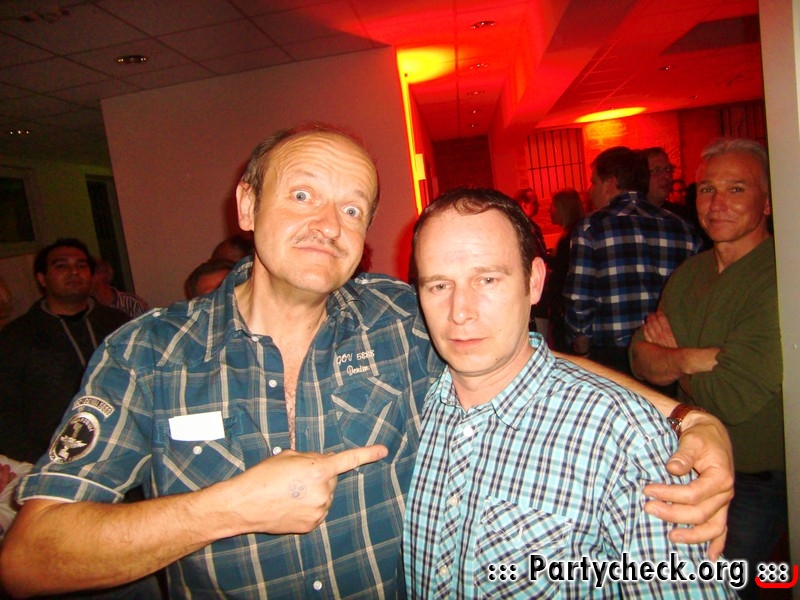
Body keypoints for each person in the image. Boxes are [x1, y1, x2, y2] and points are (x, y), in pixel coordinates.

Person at [0, 124, 733, 598]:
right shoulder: (147, 352)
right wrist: (224, 509)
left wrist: (683, 416)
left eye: (353, 208)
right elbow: (29, 558)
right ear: (247, 206)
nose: (328, 223)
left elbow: (515, 356)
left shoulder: (400, 315)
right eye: (303, 195)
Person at [404, 187, 737, 598]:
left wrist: (691, 416)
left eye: (487, 279)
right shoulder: (410, 405)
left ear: (534, 281)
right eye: (438, 285)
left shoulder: (625, 438)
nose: (460, 312)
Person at [630, 138, 785, 600]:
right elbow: (639, 359)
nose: (717, 203)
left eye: (736, 189)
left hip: (755, 475)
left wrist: (673, 357)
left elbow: (733, 396)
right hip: (686, 462)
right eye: (706, 189)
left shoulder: (781, 274)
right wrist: (696, 358)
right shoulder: (690, 273)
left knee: (719, 589)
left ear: (767, 201)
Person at [564, 146, 701, 375]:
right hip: (668, 350)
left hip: (612, 353)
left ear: (611, 182)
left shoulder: (591, 227)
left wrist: (581, 346)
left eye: (594, 182)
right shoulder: (683, 228)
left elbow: (580, 298)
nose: (590, 191)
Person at [0, 239, 131, 464]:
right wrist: (38, 462)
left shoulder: (119, 325)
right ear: (42, 278)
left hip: (121, 450)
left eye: (81, 266)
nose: (74, 272)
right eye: (61, 266)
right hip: (48, 458)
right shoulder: (16, 337)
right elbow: (6, 412)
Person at [546, 188, 583, 352]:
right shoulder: (572, 234)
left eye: (553, 206)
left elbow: (563, 276)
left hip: (566, 312)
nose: (549, 211)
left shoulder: (570, 238)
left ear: (563, 209)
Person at [512, 188, 549, 334]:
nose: (538, 206)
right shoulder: (523, 228)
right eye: (534, 203)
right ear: (524, 204)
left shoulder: (531, 226)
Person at [641, 147, 697, 224]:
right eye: (656, 171)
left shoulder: (686, 217)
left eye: (668, 169)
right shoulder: (631, 216)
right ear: (641, 175)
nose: (666, 176)